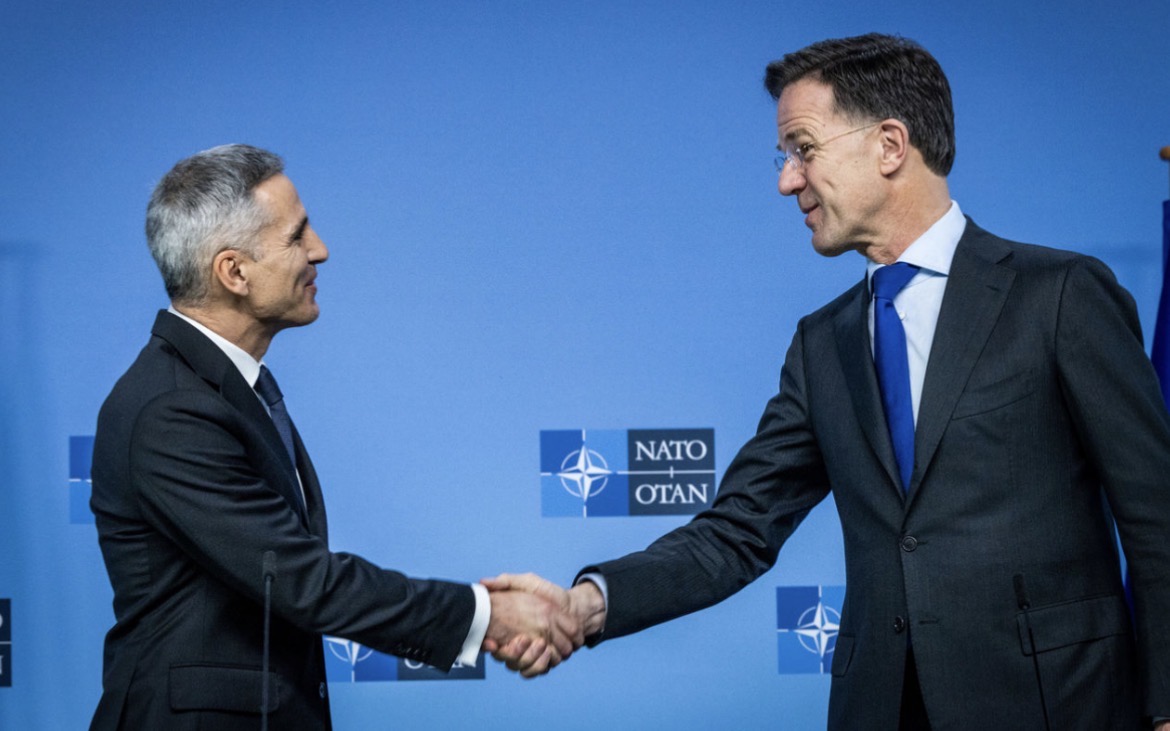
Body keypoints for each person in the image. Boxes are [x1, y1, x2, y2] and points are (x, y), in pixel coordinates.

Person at [485, 33, 1170, 730]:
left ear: (890, 145)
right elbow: (736, 531)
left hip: (1057, 707)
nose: (787, 181)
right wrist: (586, 605)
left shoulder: (1059, 295)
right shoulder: (822, 344)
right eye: (784, 157)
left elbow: (1158, 515)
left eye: (803, 149)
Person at [89, 144, 580, 730]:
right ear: (234, 272)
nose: (320, 250)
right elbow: (302, 580)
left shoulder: (228, 388)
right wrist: (486, 615)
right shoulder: (172, 410)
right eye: (297, 237)